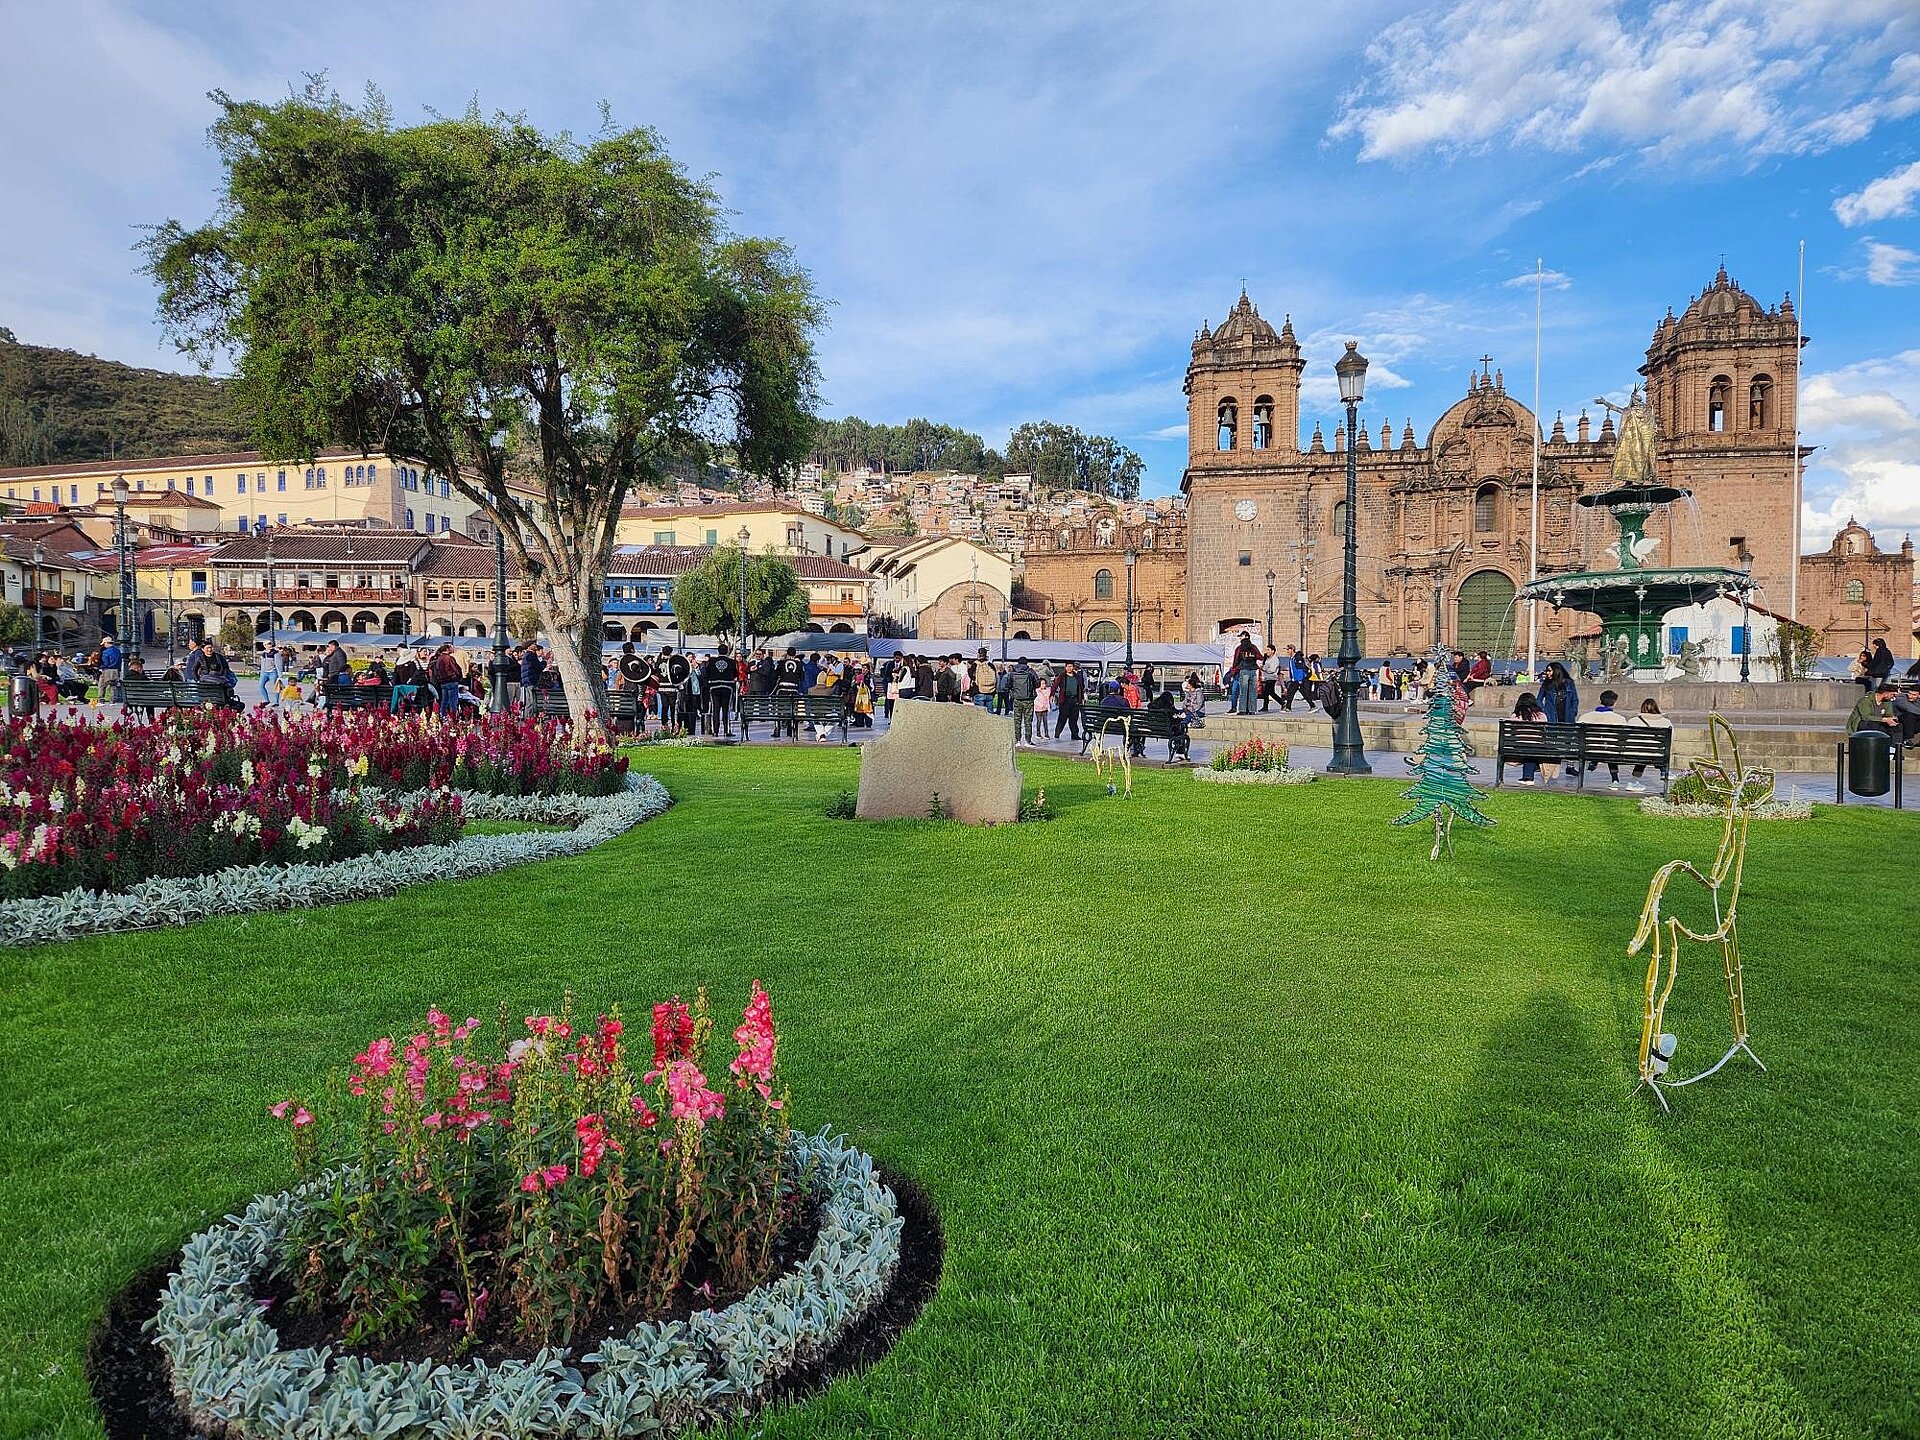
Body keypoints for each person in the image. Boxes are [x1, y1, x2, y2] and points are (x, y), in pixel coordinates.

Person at [1576, 687, 1629, 788]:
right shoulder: (1619, 719)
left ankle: (1593, 763)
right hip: (1609, 751)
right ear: (1614, 702)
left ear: (1600, 701)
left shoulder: (1585, 717)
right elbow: (1623, 737)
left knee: (1599, 745)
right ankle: (1615, 779)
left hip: (1588, 750)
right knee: (1609, 747)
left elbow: (1578, 735)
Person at [1625, 697, 1672, 791]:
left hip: (1635, 753)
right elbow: (1670, 741)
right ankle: (1663, 771)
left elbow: (1626, 738)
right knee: (1653, 752)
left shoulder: (1633, 721)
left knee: (1643, 754)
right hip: (1657, 755)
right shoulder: (1666, 722)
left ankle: (1633, 781)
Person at [1510, 692, 1547, 785]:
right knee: (1531, 749)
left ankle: (1528, 777)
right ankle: (1529, 775)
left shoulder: (1515, 715)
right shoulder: (1541, 715)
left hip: (1519, 746)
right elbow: (1544, 732)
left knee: (1528, 750)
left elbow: (1512, 732)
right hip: (1536, 746)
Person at [1006, 656, 1038, 747]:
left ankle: (1017, 741)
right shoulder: (1031, 672)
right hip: (1029, 700)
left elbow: (1007, 685)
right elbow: (1038, 683)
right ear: (1026, 663)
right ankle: (1028, 741)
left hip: (1017, 700)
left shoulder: (1012, 672)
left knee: (1017, 721)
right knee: (1028, 721)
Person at [429, 642, 465, 717]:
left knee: (444, 700)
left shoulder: (439, 659)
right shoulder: (449, 658)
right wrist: (459, 676)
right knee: (453, 701)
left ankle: (443, 716)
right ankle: (453, 716)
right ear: (447, 649)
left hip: (443, 682)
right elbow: (455, 668)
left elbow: (437, 671)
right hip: (451, 680)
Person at [1230, 631, 1259, 715]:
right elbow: (1259, 656)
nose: (1240, 638)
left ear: (1245, 637)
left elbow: (1235, 660)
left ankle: (1241, 709)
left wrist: (1234, 669)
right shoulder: (1253, 647)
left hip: (1242, 670)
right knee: (1252, 692)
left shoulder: (1239, 648)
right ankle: (1252, 710)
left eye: (1241, 636)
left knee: (1242, 691)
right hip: (1253, 670)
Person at [1054, 660, 1084, 741]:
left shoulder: (1076, 676)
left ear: (1073, 667)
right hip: (1065, 700)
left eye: (1071, 666)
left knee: (1074, 719)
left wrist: (1081, 698)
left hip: (1075, 700)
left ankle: (1075, 735)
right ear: (1065, 667)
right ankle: (1057, 733)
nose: (1069, 668)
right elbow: (1055, 685)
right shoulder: (1062, 676)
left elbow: (1081, 688)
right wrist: (1051, 695)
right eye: (1068, 666)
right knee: (1062, 718)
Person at [1890, 682, 1920, 747]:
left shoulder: (1918, 702)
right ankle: (1907, 739)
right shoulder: (1901, 698)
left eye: (1914, 695)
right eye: (1909, 693)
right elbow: (1909, 709)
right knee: (1910, 714)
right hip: (1899, 718)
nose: (1910, 696)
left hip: (1913, 724)